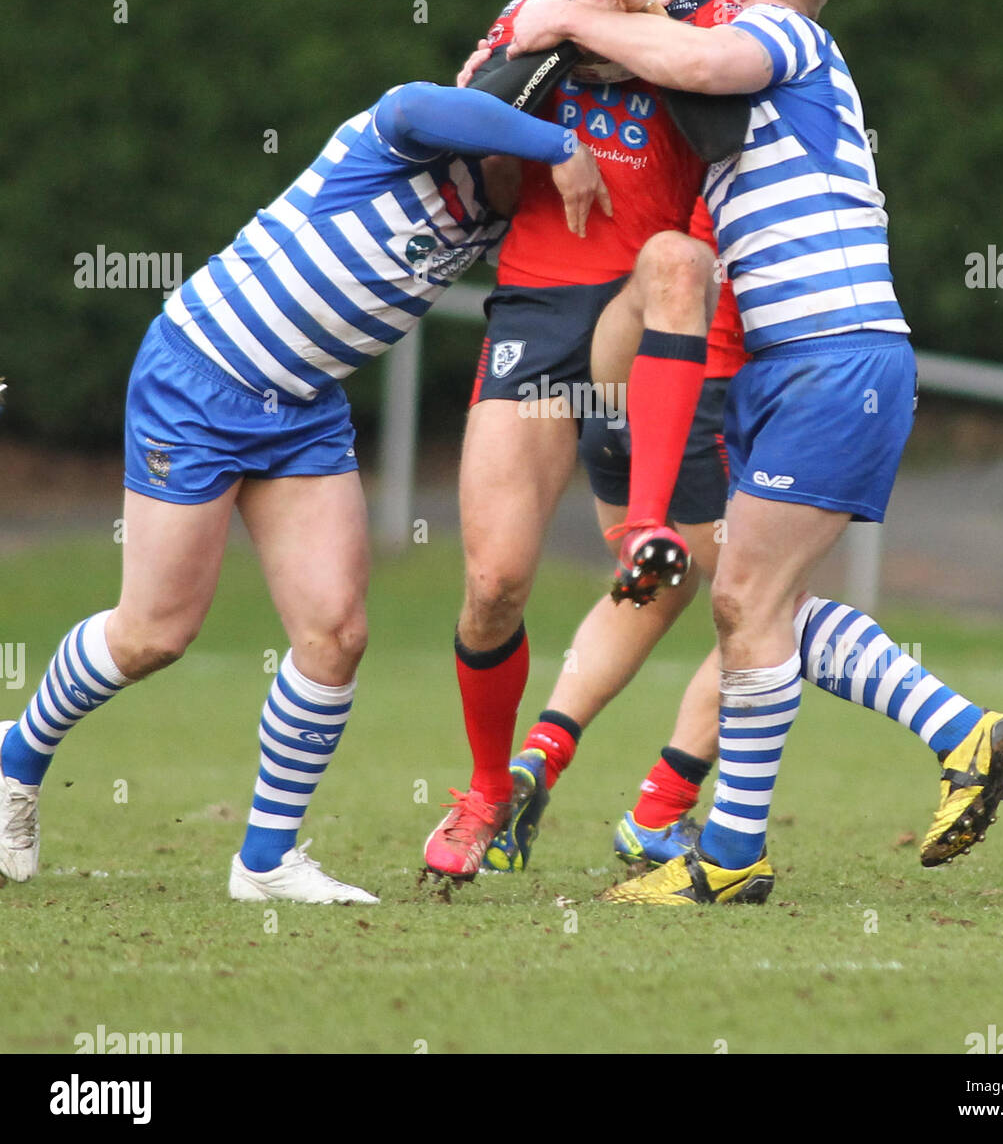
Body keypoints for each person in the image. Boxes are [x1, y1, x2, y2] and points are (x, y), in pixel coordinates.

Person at [511, 0, 1003, 904]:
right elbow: (669, 60)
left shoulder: (787, 34)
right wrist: (601, 2)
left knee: (749, 604)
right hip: (802, 371)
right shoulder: (768, 79)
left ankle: (730, 857)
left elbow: (693, 58)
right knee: (761, 607)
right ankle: (952, 736)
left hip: (832, 363)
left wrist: (556, 16)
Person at [0, 80, 606, 903]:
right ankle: (16, 761)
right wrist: (558, 144)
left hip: (304, 410)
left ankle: (265, 862)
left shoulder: (506, 220)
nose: (557, 184)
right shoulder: (409, 145)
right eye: (540, 155)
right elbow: (415, 101)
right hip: (200, 376)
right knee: (153, 633)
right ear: (512, 136)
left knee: (336, 633)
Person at [423, 0, 749, 881]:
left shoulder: (706, 25)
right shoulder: (540, 10)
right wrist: (563, 35)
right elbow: (470, 108)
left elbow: (721, 124)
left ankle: (644, 521)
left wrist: (643, 21)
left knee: (676, 257)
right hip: (538, 310)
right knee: (494, 581)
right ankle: (488, 794)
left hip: (646, 320)